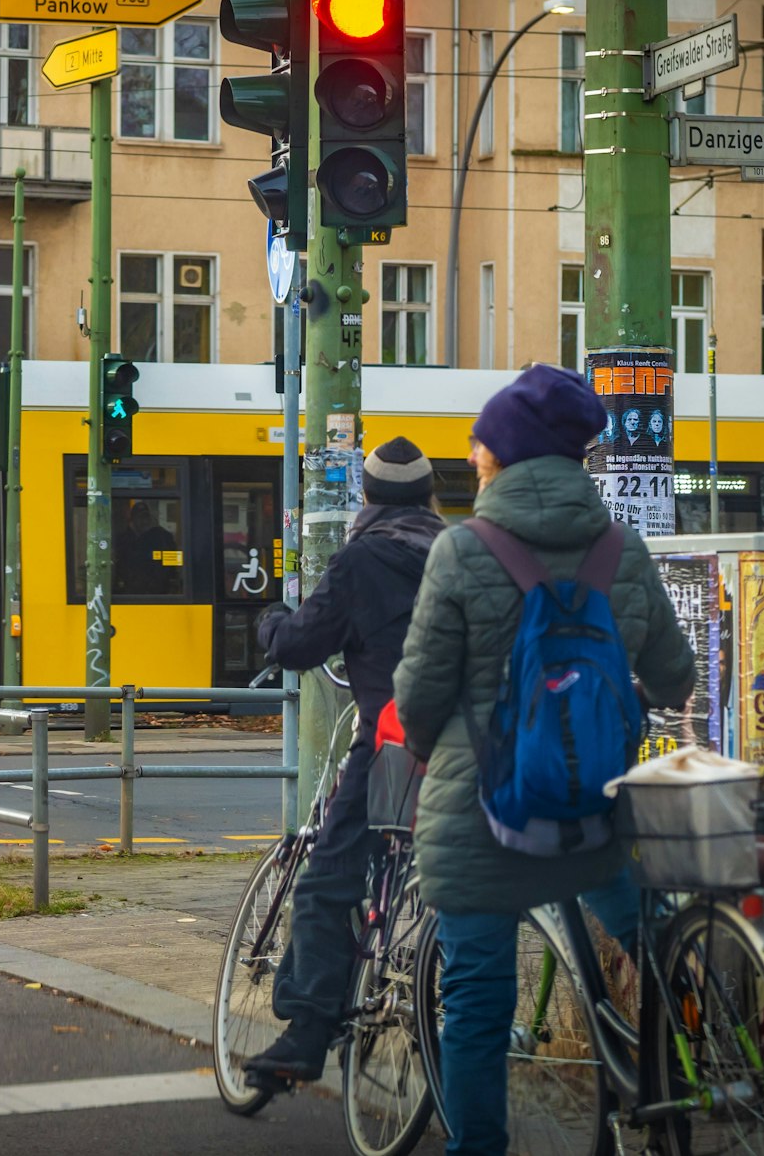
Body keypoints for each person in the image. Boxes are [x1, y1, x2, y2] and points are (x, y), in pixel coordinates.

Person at [392, 366, 694, 1156]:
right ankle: (677, 1055)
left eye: (479, 440)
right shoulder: (623, 553)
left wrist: (428, 751)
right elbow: (676, 675)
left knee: (479, 1001)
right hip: (591, 816)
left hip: (481, 820)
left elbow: (421, 694)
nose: (472, 451)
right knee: (648, 932)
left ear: (506, 453)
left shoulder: (461, 551)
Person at [243, 437, 447, 1084]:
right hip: (467, 742)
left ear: (367, 497)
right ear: (426, 495)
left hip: (391, 741)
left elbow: (304, 643)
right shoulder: (453, 549)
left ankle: (306, 1031)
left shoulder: (364, 558)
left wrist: (271, 621)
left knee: (329, 876)